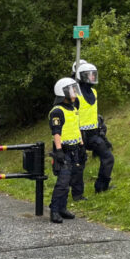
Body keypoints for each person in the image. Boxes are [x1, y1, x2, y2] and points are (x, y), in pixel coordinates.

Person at [48, 77, 87, 223]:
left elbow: (76, 129)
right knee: (63, 182)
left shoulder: (74, 108)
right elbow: (56, 132)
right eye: (72, 90)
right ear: (63, 92)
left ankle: (63, 208)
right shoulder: (57, 111)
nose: (75, 93)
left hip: (75, 149)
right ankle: (55, 210)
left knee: (71, 178)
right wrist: (58, 151)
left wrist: (82, 145)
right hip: (63, 150)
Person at [76, 62, 115, 193]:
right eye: (89, 75)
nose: (92, 77)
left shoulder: (94, 92)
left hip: (94, 134)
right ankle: (77, 194)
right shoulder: (75, 94)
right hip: (79, 135)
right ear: (82, 76)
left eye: (94, 74)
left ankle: (101, 187)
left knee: (108, 158)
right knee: (78, 165)